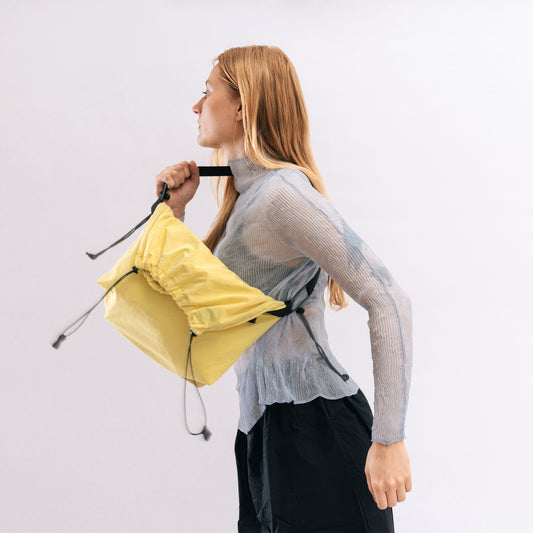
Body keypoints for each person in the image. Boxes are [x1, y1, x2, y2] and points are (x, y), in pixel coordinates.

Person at [155, 45, 412, 533]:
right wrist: (174, 212)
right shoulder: (247, 197)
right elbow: (196, 312)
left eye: (207, 92)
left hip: (317, 430)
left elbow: (389, 300)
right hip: (262, 434)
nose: (196, 106)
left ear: (242, 105)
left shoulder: (282, 194)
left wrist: (389, 439)